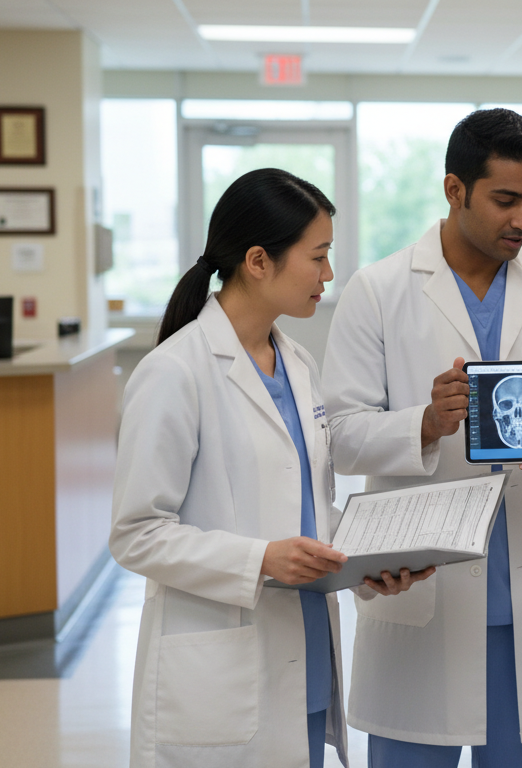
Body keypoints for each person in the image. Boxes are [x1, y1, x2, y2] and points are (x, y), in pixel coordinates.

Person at [110, 168, 429, 768]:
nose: (328, 275)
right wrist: (260, 559)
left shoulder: (299, 364)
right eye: (318, 256)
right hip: (222, 672)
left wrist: (362, 565)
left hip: (304, 655)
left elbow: (307, 504)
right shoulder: (174, 373)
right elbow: (136, 535)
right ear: (258, 260)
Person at [321, 108, 522, 768]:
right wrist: (423, 422)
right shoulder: (379, 291)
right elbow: (339, 435)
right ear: (455, 190)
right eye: (505, 200)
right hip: (422, 593)